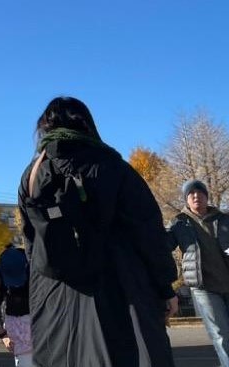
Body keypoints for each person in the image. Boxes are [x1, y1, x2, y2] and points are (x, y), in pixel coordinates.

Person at [18, 96, 178, 367]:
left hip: (55, 296)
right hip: (121, 287)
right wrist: (165, 287)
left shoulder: (31, 176)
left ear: (45, 127)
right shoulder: (112, 166)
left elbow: (32, 244)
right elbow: (147, 232)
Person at [168, 178, 229, 367]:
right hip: (204, 288)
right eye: (191, 194)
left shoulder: (223, 218)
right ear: (186, 199)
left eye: (200, 192)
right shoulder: (179, 223)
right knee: (220, 335)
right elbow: (163, 245)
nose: (196, 196)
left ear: (206, 196)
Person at [0, 245, 33, 367]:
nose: (15, 285)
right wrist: (2, 333)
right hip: (17, 323)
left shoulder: (35, 267)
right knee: (24, 361)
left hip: (40, 321)